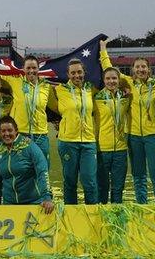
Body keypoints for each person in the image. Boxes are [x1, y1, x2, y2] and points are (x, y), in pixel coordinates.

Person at [100, 40, 155, 203]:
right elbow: (108, 68)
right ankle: (142, 204)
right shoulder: (127, 82)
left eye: (143, 67)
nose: (140, 69)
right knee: (138, 175)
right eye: (137, 67)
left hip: (153, 135)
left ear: (148, 68)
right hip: (133, 136)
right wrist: (103, 49)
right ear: (133, 70)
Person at [0, 49, 54, 165]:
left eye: (34, 68)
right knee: (21, 169)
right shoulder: (15, 81)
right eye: (28, 68)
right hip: (20, 134)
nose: (31, 71)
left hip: (41, 135)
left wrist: (62, 120)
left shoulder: (46, 86)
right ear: (23, 69)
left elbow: (55, 107)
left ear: (38, 69)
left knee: (42, 167)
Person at [52, 58, 99, 204]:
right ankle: (71, 215)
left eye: (79, 72)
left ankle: (92, 215)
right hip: (67, 142)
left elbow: (112, 83)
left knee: (90, 181)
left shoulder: (91, 89)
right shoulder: (59, 89)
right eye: (73, 73)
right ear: (67, 74)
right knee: (70, 182)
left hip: (88, 142)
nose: (76, 75)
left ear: (84, 72)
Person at [0, 116, 53, 213]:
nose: (7, 134)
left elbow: (42, 171)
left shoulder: (29, 146)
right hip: (9, 203)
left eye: (10, 130)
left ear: (16, 131)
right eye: (3, 131)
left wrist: (47, 197)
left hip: (33, 202)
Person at [93, 67, 131, 204]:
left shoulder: (126, 97)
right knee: (102, 187)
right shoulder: (95, 98)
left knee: (118, 188)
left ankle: (116, 217)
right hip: (102, 149)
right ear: (103, 80)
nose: (111, 81)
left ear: (119, 80)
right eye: (108, 78)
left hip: (120, 149)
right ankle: (101, 218)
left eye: (114, 78)